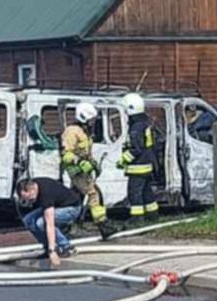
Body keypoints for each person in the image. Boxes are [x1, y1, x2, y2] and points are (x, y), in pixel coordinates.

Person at [60, 101, 116, 240]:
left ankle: (67, 225)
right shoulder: (72, 132)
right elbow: (66, 154)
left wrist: (93, 164)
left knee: (75, 198)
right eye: (91, 119)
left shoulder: (84, 131)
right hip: (76, 170)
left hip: (83, 168)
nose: (93, 122)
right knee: (93, 194)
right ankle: (103, 225)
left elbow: (86, 152)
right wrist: (80, 162)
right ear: (84, 117)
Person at [16, 177, 83, 268]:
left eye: (27, 197)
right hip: (57, 206)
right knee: (28, 220)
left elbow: (50, 224)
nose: (28, 201)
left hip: (72, 208)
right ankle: (47, 246)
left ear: (31, 190)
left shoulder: (45, 194)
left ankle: (66, 247)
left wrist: (52, 251)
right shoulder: (34, 184)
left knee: (41, 223)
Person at [117, 92, 159, 223]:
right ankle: (153, 216)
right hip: (147, 165)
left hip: (138, 167)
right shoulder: (144, 123)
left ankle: (137, 219)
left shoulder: (135, 127)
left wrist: (123, 159)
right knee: (147, 192)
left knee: (134, 193)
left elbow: (136, 148)